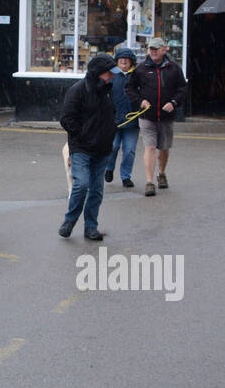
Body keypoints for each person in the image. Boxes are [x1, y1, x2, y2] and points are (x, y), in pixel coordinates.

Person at [58, 54, 117, 240]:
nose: (113, 76)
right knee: (81, 184)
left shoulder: (108, 91)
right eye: (109, 73)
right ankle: (69, 221)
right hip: (82, 148)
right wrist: (83, 135)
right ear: (99, 73)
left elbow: (111, 116)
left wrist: (111, 132)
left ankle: (91, 227)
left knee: (97, 190)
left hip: (103, 149)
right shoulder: (77, 91)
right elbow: (67, 119)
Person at [126, 37, 188, 198]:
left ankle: (161, 173)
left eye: (156, 48)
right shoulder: (141, 68)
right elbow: (130, 88)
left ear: (163, 49)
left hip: (167, 116)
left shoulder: (174, 68)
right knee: (150, 147)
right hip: (147, 116)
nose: (152, 51)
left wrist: (174, 103)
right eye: (150, 49)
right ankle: (149, 182)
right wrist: (141, 101)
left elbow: (182, 89)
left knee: (164, 148)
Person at [105, 47, 139, 188]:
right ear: (116, 61)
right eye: (121, 59)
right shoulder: (111, 75)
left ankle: (126, 176)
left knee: (129, 151)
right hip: (113, 120)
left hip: (132, 121)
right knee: (112, 147)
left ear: (131, 62)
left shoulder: (137, 75)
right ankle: (109, 168)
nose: (124, 62)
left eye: (127, 59)